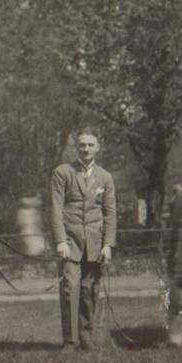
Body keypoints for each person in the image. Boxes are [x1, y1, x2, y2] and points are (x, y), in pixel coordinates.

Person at [49, 127, 116, 351]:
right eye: (82, 145)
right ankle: (70, 340)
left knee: (90, 291)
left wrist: (108, 244)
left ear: (98, 147)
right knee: (70, 288)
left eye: (90, 145)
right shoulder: (62, 172)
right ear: (76, 147)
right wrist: (60, 240)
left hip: (95, 244)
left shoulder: (106, 177)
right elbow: (56, 209)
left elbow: (109, 212)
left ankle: (86, 338)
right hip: (70, 242)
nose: (86, 149)